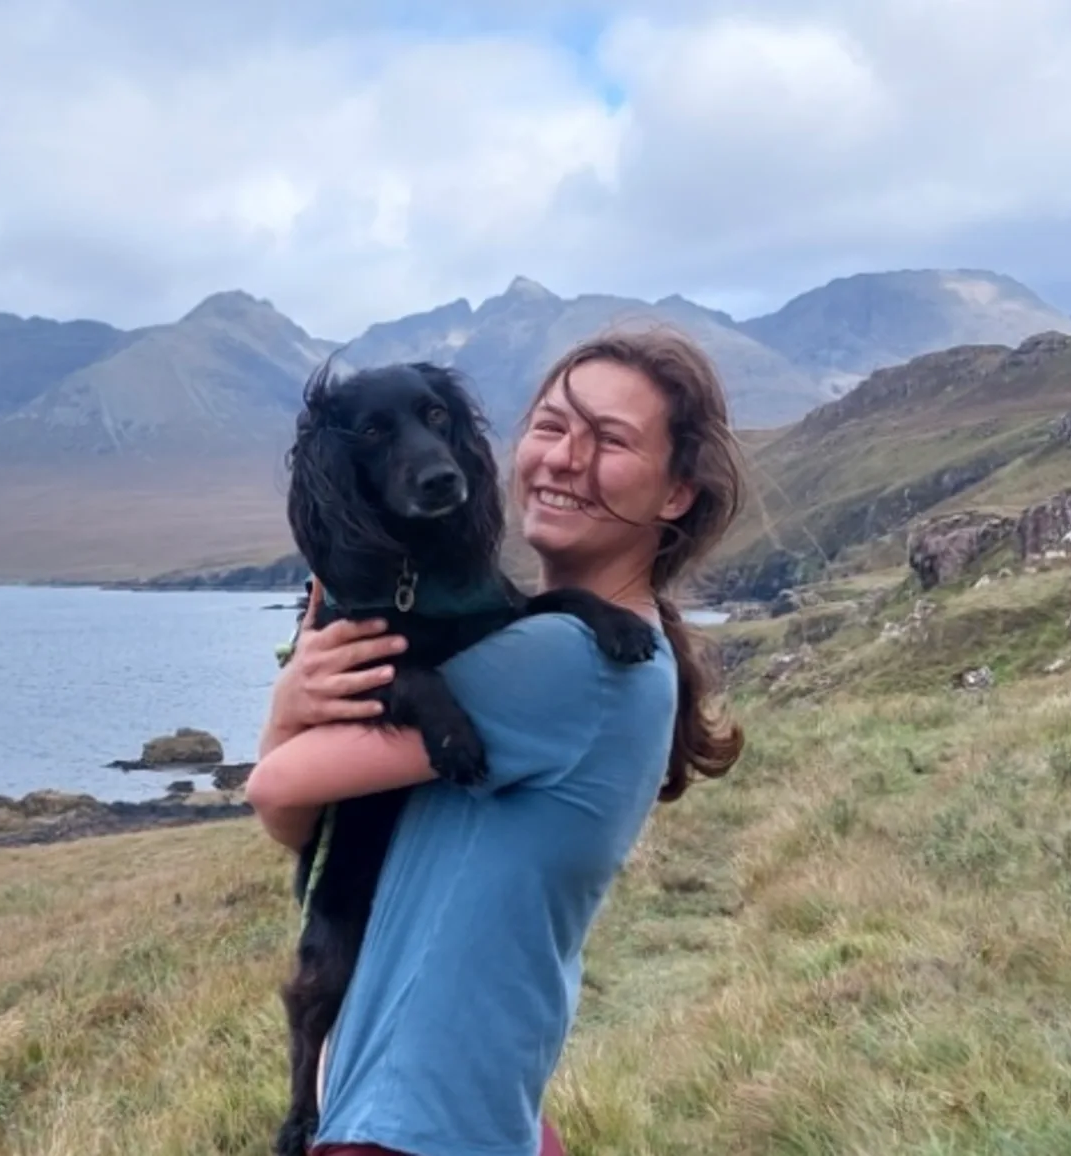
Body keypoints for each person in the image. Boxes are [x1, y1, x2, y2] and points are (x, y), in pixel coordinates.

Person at [247, 327, 749, 1156]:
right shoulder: (610, 644)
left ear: (676, 492)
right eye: (552, 427)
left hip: (414, 1123)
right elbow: (303, 823)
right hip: (469, 1107)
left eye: (612, 440)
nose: (564, 458)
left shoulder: (567, 659)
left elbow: (274, 789)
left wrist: (289, 698)